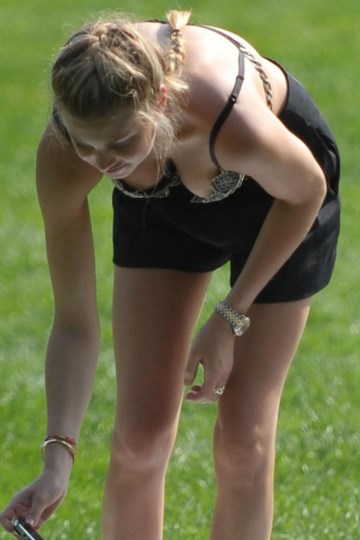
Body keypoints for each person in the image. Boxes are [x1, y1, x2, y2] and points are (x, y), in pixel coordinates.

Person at [0, 9, 340, 540]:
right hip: (160, 199)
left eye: (117, 145)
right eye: (88, 147)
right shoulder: (71, 151)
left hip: (278, 204)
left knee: (242, 437)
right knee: (138, 438)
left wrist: (230, 316)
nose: (102, 163)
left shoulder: (228, 121)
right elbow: (74, 323)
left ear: (158, 103)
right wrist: (57, 458)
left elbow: (306, 191)